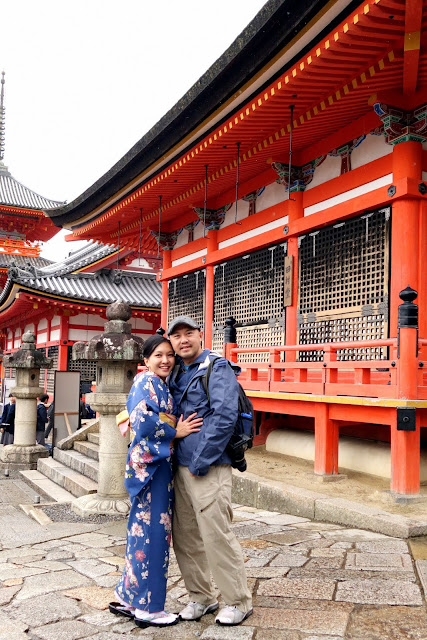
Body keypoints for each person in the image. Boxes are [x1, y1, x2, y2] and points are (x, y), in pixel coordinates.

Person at [111, 334, 202, 629]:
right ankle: (149, 606)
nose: (165, 360)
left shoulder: (156, 384)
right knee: (152, 536)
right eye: (158, 355)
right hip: (153, 466)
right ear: (146, 360)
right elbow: (143, 422)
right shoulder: (145, 383)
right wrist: (176, 432)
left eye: (169, 355)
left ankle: (129, 595)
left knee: (139, 534)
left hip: (153, 465)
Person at [167, 316, 253, 626]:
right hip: (179, 466)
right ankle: (201, 596)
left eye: (188, 333)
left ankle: (237, 600)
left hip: (209, 466)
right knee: (186, 536)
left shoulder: (217, 368)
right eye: (176, 336)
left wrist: (201, 460)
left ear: (201, 335)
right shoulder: (176, 371)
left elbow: (224, 415)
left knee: (216, 533)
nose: (183, 340)